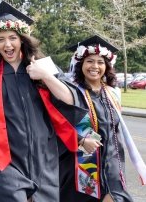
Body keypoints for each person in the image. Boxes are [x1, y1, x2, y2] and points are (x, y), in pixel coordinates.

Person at [0, 1, 86, 202]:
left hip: (43, 161)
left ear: (22, 39)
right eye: (0, 39)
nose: (7, 44)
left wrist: (46, 76)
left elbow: (71, 101)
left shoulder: (43, 67)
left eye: (12, 38)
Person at [59, 35, 143, 202]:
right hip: (82, 165)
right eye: (90, 61)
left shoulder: (112, 93)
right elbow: (60, 123)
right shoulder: (73, 92)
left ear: (107, 66)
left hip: (112, 163)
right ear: (81, 63)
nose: (95, 66)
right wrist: (81, 140)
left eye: (100, 62)